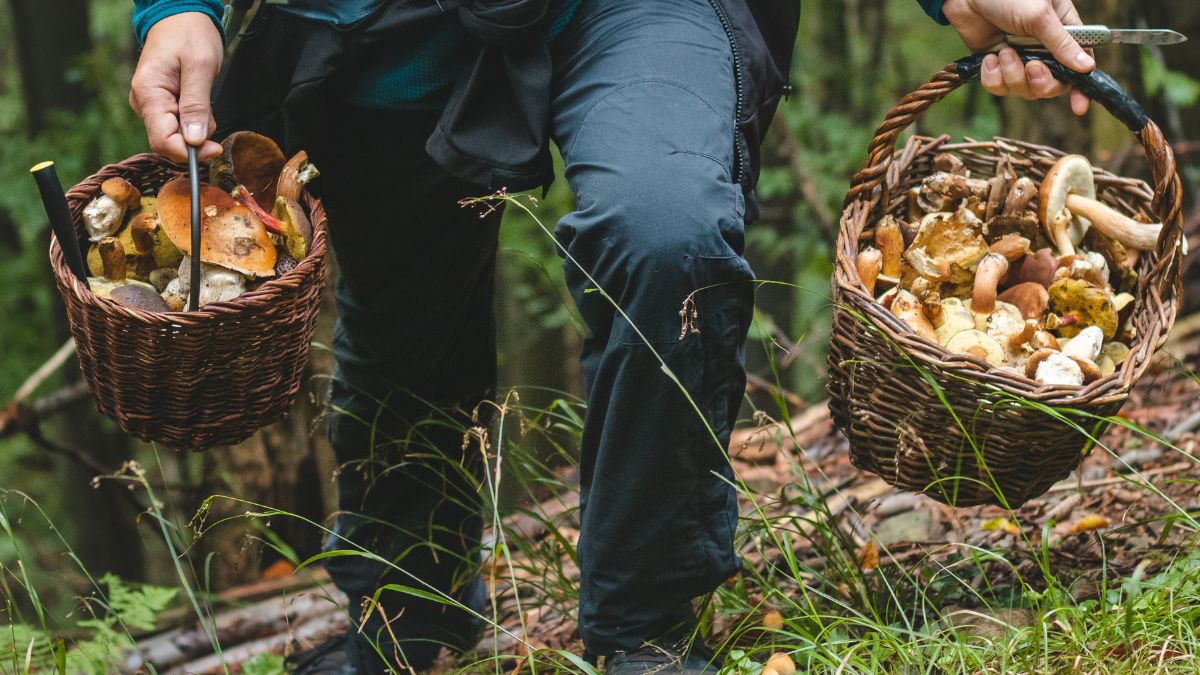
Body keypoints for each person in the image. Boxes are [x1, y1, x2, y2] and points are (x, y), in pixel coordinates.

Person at [128, 0, 1094, 672]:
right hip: (382, 24)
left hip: (642, 13)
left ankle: (649, 625)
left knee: (665, 229)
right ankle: (402, 614)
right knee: (401, 316)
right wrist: (179, 6)